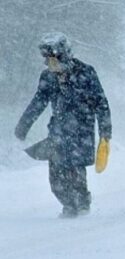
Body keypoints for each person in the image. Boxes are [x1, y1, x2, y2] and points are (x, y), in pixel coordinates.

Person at [14, 32, 112, 218]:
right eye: (47, 59)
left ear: (65, 54)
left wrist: (105, 133)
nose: (51, 63)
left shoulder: (86, 73)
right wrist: (23, 125)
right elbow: (38, 102)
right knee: (56, 175)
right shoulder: (48, 77)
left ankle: (82, 204)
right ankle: (68, 205)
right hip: (57, 132)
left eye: (55, 58)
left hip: (81, 131)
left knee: (75, 170)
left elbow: (101, 104)